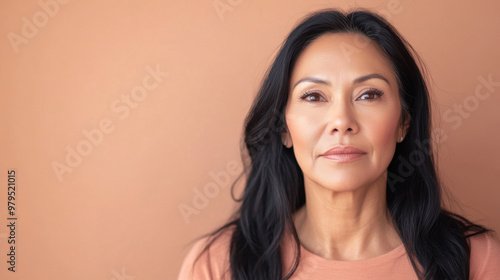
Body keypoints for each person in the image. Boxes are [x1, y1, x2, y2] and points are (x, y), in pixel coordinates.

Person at [177, 9, 500, 280]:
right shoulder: (219, 264)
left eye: (369, 94)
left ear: (404, 122)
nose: (341, 120)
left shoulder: (476, 261)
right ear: (283, 128)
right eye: (314, 96)